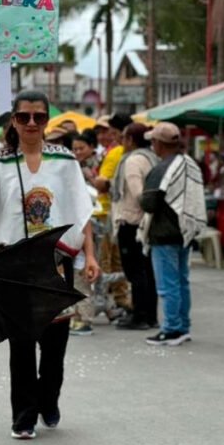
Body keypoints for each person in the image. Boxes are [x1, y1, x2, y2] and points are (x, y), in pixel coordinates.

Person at [0, 90, 100, 439]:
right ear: (13, 120)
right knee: (22, 344)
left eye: (38, 117)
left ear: (46, 121)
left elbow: (80, 210)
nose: (31, 123)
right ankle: (24, 415)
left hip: (56, 262)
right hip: (15, 265)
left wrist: (91, 254)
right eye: (24, 116)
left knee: (55, 345)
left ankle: (49, 398)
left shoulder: (65, 160)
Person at [139, 122, 207, 346]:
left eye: (153, 141)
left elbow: (148, 203)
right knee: (181, 282)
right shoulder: (189, 163)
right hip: (184, 232)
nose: (152, 145)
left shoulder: (161, 169)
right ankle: (183, 326)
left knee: (167, 285)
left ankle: (171, 329)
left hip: (164, 233)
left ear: (159, 143)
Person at [112, 123, 160, 331]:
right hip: (148, 223)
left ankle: (140, 315)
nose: (121, 142)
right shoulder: (152, 158)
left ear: (131, 139)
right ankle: (150, 315)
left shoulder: (132, 161)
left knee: (135, 272)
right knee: (148, 271)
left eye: (123, 137)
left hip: (132, 222)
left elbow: (138, 193)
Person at [92, 114, 132, 320]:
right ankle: (120, 300)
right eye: (98, 132)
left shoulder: (116, 151)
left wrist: (91, 178)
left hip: (105, 212)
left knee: (107, 261)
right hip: (110, 211)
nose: (102, 135)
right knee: (114, 260)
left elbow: (101, 183)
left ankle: (113, 303)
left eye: (106, 131)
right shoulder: (112, 151)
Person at [68, 129, 101, 336]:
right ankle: (76, 316)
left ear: (91, 148)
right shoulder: (72, 167)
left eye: (81, 148)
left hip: (90, 222)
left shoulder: (95, 167)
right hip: (75, 224)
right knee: (75, 275)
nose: (78, 152)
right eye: (75, 149)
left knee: (84, 275)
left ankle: (85, 318)